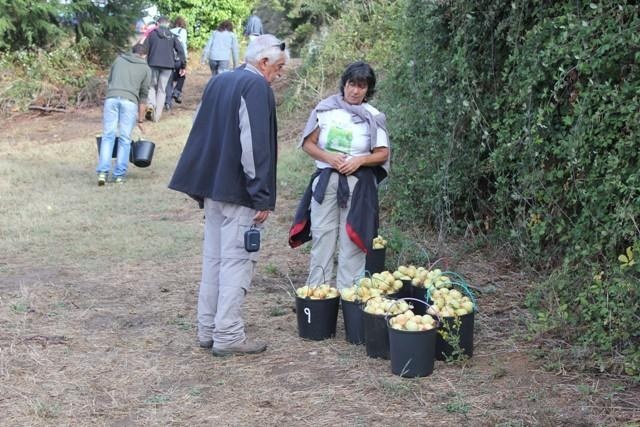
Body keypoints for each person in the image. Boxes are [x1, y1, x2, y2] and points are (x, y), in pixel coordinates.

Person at [169, 35, 289, 356]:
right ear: (263, 63)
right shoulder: (255, 88)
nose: (278, 75)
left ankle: (207, 329)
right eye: (278, 68)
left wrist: (200, 187)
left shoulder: (219, 82)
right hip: (239, 193)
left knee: (214, 262)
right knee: (237, 262)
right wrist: (261, 195)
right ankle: (228, 335)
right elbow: (254, 145)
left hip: (214, 190)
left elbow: (200, 133)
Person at [289, 61, 390, 290]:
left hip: (358, 185)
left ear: (368, 90)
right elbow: (308, 143)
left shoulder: (374, 116)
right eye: (352, 84)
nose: (355, 90)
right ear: (344, 84)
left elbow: (383, 154)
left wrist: (360, 160)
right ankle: (318, 294)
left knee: (351, 240)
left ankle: (350, 296)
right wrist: (329, 158)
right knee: (322, 235)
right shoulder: (325, 110)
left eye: (361, 86)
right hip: (327, 183)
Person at [96, 43, 151, 185]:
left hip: (112, 98)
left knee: (108, 136)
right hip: (130, 102)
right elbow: (143, 96)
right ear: (145, 55)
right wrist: (140, 119)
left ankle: (102, 172)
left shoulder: (119, 60)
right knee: (125, 139)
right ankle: (119, 175)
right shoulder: (146, 68)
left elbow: (110, 80)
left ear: (132, 51)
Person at [143, 16, 186, 122]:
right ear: (168, 24)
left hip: (153, 64)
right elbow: (181, 51)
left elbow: (144, 49)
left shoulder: (152, 34)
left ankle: (151, 105)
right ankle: (156, 117)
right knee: (162, 90)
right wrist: (183, 66)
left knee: (151, 87)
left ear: (157, 23)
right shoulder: (172, 36)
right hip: (168, 66)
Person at [165, 16, 188, 110]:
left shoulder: (169, 31)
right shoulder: (182, 31)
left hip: (169, 58)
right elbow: (183, 46)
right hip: (179, 59)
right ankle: (177, 92)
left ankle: (168, 102)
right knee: (182, 75)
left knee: (169, 80)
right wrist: (185, 60)